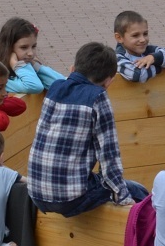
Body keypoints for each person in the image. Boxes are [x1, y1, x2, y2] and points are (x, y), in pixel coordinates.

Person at [28, 41, 148, 217]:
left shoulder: (55, 88)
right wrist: (122, 197)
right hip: (71, 199)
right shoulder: (97, 97)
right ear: (109, 82)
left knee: (92, 179)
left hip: (36, 193)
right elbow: (109, 155)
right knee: (138, 192)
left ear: (73, 68)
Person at [0, 17, 65, 94]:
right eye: (24, 47)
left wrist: (37, 66)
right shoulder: (0, 80)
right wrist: (17, 65)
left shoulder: (28, 69)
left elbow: (62, 84)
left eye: (33, 47)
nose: (31, 53)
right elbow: (35, 87)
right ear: (8, 48)